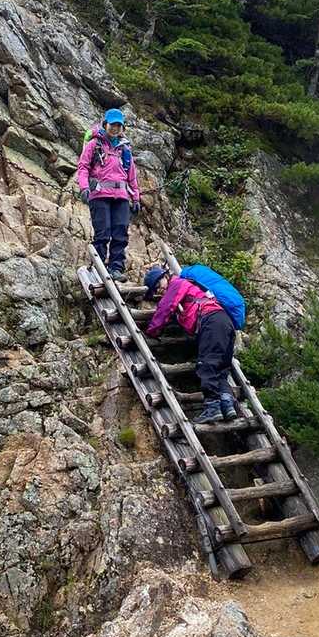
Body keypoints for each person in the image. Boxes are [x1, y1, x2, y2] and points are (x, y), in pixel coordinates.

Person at [143, 264, 238, 424]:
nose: (159, 290)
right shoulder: (190, 288)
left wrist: (152, 331)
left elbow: (165, 308)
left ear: (165, 276)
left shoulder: (177, 284)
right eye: (155, 290)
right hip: (224, 322)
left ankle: (212, 408)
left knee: (207, 365)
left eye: (158, 285)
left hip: (211, 322)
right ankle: (227, 406)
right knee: (220, 369)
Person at [76, 108, 140, 279]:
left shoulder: (125, 149)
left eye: (119, 125)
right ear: (105, 124)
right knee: (102, 233)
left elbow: (131, 176)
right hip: (99, 195)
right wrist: (84, 187)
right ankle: (99, 269)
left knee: (121, 233)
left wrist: (136, 198)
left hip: (121, 196)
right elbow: (83, 167)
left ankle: (116, 268)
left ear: (122, 128)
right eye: (113, 124)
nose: (115, 128)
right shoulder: (94, 144)